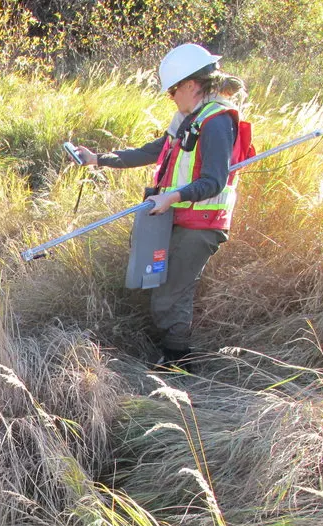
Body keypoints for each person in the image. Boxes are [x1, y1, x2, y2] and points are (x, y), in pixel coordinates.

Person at [72, 43, 249, 369]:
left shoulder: (216, 121)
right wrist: (97, 159)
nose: (171, 97)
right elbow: (152, 151)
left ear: (191, 85)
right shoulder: (189, 118)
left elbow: (214, 180)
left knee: (171, 296)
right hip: (175, 218)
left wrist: (171, 197)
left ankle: (178, 363)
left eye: (172, 91)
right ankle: (170, 351)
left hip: (200, 223)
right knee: (156, 285)